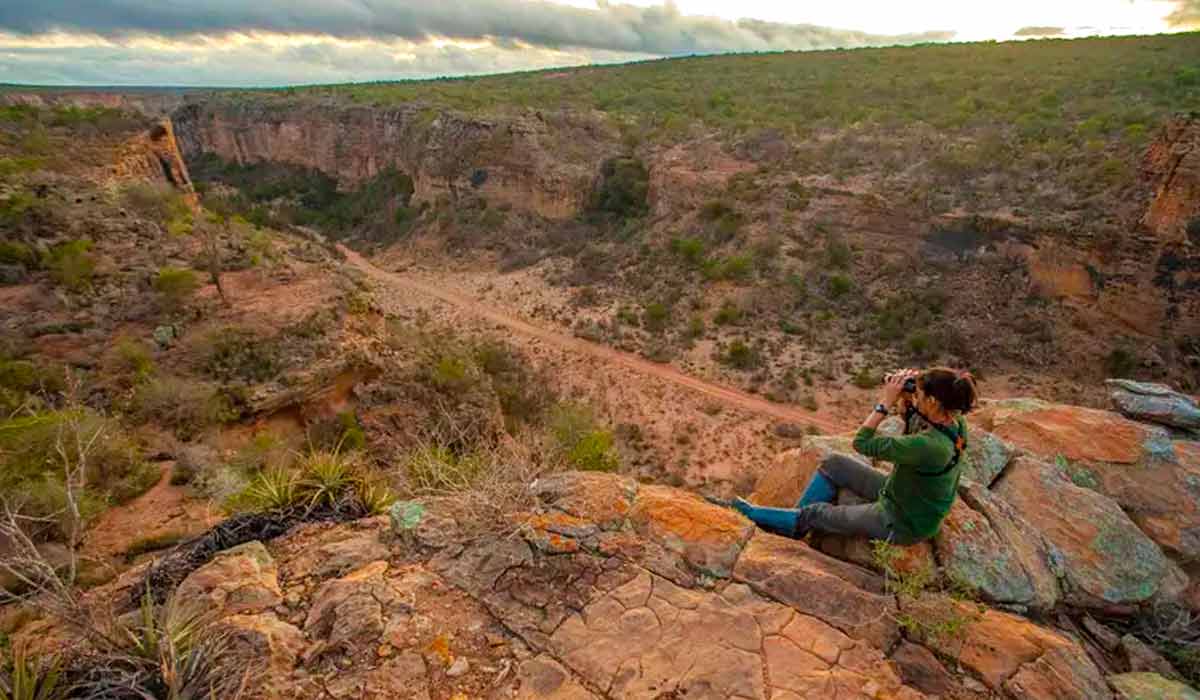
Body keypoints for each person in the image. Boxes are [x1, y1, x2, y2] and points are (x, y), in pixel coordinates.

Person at [733, 367, 978, 545]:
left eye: (921, 395)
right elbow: (918, 425)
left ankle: (754, 514)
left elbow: (862, 442)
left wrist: (885, 402)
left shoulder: (929, 446)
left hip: (902, 520)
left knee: (817, 512)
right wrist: (907, 401)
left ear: (934, 402)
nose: (916, 397)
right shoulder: (955, 422)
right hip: (901, 495)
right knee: (834, 464)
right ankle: (797, 524)